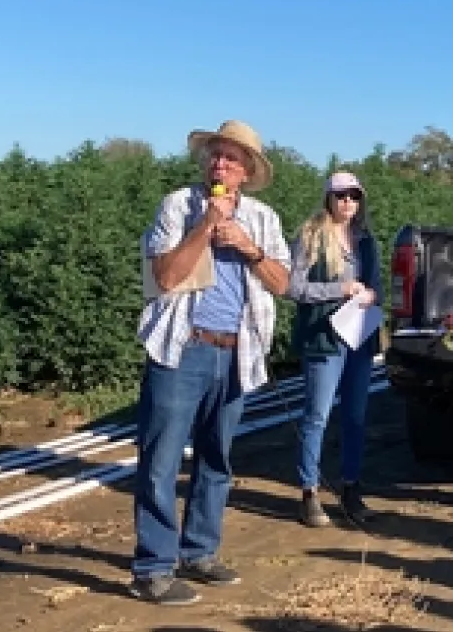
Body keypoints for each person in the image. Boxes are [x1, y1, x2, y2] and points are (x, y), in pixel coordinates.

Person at [130, 120, 292, 605]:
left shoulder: (263, 218)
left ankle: (199, 551)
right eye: (216, 156)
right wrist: (205, 227)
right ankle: (153, 568)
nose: (221, 164)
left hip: (236, 351)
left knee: (217, 459)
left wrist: (247, 246)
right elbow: (164, 275)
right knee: (160, 461)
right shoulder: (179, 206)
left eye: (232, 159)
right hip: (184, 348)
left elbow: (283, 283)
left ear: (247, 172)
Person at [283, 172, 383, 527]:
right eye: (341, 195)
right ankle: (309, 490)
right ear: (328, 198)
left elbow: (377, 288)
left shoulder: (367, 242)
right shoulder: (310, 237)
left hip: (358, 337)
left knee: (355, 417)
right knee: (318, 416)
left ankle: (351, 487)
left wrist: (371, 296)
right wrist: (338, 290)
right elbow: (292, 287)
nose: (348, 202)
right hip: (323, 339)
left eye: (354, 196)